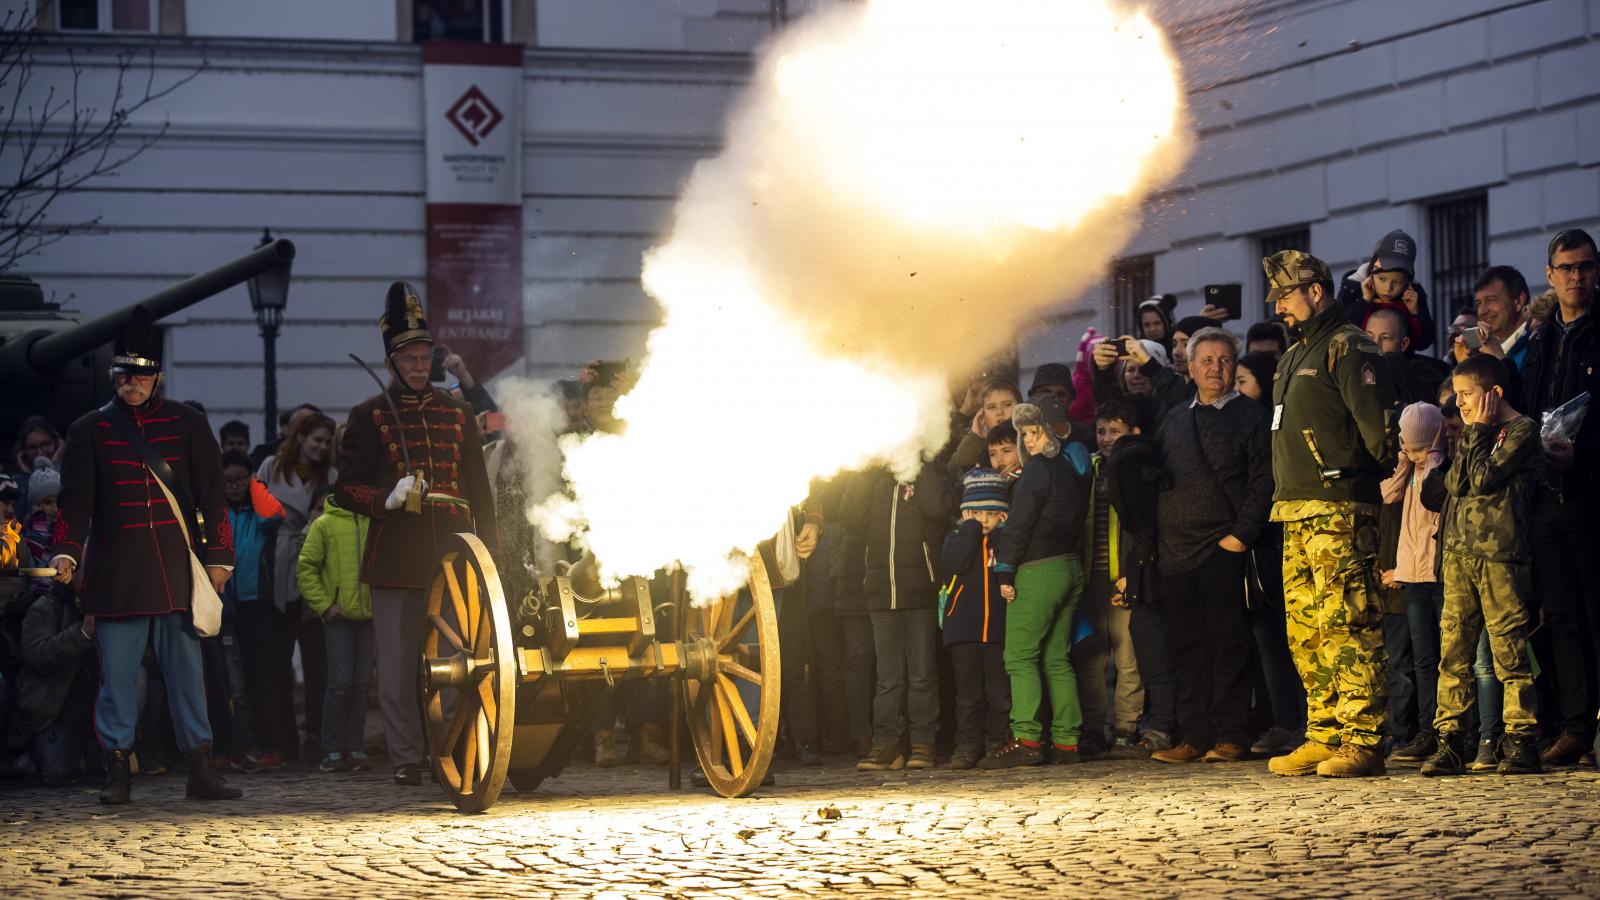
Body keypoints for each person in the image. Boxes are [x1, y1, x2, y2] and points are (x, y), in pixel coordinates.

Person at [48, 311, 240, 804]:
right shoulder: (89, 430)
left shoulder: (189, 424)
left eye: (140, 375)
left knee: (187, 679)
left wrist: (218, 560)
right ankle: (118, 772)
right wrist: (67, 552)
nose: (130, 384)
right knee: (117, 681)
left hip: (176, 572)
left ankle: (200, 768)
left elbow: (212, 499)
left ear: (159, 376)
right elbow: (76, 503)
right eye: (122, 375)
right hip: (118, 575)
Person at [335, 282, 497, 786]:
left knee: (456, 662)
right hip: (396, 556)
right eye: (409, 357)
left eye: (425, 356)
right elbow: (344, 490)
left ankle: (446, 749)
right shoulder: (367, 416)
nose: (418, 365)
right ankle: (406, 756)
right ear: (391, 362)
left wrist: (489, 554)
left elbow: (480, 492)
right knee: (403, 666)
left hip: (453, 556)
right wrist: (385, 497)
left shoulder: (458, 414)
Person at [1262, 249, 1397, 778]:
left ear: (1315, 290)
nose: (1280, 308)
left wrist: (1361, 476)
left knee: (1350, 621)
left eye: (1286, 296)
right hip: (1296, 509)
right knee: (1307, 629)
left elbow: (1380, 434)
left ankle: (1364, 739)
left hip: (1341, 508)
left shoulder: (1347, 345)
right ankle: (1326, 732)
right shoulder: (1296, 353)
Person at [1147, 328, 1272, 764]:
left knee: (1229, 645)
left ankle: (1231, 734)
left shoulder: (1252, 417)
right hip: (1176, 551)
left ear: (1234, 365)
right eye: (1206, 360)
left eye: (1224, 360)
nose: (1215, 368)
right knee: (1185, 649)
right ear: (1190, 366)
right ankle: (1191, 736)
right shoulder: (1175, 417)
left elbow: (1263, 482)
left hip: (1225, 547)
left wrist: (1240, 537)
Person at [1421, 354, 1543, 775]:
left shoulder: (1521, 430)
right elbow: (1455, 484)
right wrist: (1472, 433)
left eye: (1467, 394)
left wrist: (1476, 431)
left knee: (1509, 650)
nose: (1460, 404)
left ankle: (1521, 738)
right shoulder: (1473, 432)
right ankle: (1451, 739)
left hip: (1500, 556)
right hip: (1459, 554)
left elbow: (1485, 477)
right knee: (1452, 652)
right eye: (1456, 395)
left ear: (1494, 394)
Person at [1518, 228, 1600, 767]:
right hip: (1546, 497)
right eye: (1566, 268)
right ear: (1549, 275)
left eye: (1585, 267)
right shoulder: (1542, 338)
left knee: (1595, 613)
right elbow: (1526, 408)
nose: (1576, 276)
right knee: (1563, 618)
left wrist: (1585, 454)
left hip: (1592, 494)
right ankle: (1575, 726)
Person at [982, 402, 1091, 768]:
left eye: (1035, 431)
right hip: (1070, 568)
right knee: (1056, 659)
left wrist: (1005, 571)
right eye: (1024, 434)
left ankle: (1026, 739)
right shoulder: (1075, 470)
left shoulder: (1037, 471)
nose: (1029, 441)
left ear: (1054, 430)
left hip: (1038, 570)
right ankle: (1066, 743)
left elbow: (1020, 524)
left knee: (1019, 656)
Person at [839, 460, 952, 771]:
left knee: (922, 674)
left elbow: (939, 509)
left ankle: (923, 744)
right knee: (887, 678)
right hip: (879, 592)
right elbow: (849, 515)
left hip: (920, 591)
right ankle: (887, 744)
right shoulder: (872, 478)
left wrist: (921, 463)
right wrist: (865, 470)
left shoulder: (925, 471)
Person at [258, 411, 338, 761]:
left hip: (317, 575)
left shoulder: (332, 477)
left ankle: (316, 738)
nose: (321, 447)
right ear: (301, 437)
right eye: (316, 439)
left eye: (326, 442)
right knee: (277, 662)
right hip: (277, 569)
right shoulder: (270, 469)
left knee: (318, 663)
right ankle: (284, 739)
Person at [1078, 400, 1149, 760]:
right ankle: (1093, 729)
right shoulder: (1087, 468)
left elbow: (1140, 527)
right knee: (1091, 659)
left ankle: (1125, 728)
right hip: (1091, 580)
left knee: (1127, 658)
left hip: (1123, 579)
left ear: (1132, 433)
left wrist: (1131, 574)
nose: (1106, 438)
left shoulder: (1135, 466)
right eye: (1102, 430)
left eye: (1115, 430)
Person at [1379, 403, 1447, 765]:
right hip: (1413, 575)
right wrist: (1406, 461)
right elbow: (1388, 493)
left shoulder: (1438, 468)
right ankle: (1426, 729)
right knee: (1422, 659)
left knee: (1444, 657)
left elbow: (1431, 499)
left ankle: (1448, 728)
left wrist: (1432, 455)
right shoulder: (1411, 470)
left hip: (1437, 573)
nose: (1412, 450)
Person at [297, 485, 374, 773]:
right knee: (341, 682)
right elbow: (306, 568)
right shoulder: (324, 525)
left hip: (368, 615)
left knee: (363, 683)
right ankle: (331, 749)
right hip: (338, 617)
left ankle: (354, 747)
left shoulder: (372, 523)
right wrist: (325, 605)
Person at [938, 468, 1011, 770]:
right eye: (975, 512)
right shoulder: (956, 538)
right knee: (967, 695)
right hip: (963, 630)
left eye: (989, 513)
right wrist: (969, 531)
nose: (982, 519)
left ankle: (997, 743)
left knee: (999, 693)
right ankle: (967, 745)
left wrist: (1001, 533)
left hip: (997, 629)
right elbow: (953, 563)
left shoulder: (1005, 540)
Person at [1339, 229, 1436, 354]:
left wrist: (1416, 313)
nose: (1388, 288)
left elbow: (1424, 342)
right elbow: (1342, 335)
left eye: (1396, 282)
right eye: (1382, 279)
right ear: (1371, 275)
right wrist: (1364, 302)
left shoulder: (1413, 299)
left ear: (1407, 282)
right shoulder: (1353, 293)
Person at [1470, 266, 1532, 371]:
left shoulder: (1539, 344)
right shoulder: (1480, 353)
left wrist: (1500, 359)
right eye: (1478, 303)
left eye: (1491, 300)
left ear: (1518, 301)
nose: (1482, 311)